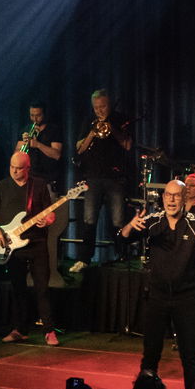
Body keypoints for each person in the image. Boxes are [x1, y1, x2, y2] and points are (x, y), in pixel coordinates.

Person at [121, 179, 195, 389]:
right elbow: (122, 238)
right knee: (150, 354)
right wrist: (129, 227)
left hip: (185, 297)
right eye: (168, 195)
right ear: (163, 198)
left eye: (176, 195)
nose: (171, 199)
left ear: (183, 198)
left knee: (189, 356)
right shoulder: (152, 221)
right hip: (157, 296)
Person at [0, 152, 61, 346]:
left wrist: (48, 219)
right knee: (18, 289)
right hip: (13, 246)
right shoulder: (2, 186)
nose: (14, 171)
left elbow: (50, 213)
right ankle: (20, 329)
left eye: (18, 168)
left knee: (42, 289)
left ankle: (49, 331)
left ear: (28, 168)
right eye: (11, 167)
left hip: (37, 244)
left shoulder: (39, 185)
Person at [74, 87, 134, 262]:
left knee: (117, 221)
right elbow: (79, 149)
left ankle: (122, 256)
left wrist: (112, 129)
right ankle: (85, 259)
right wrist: (92, 132)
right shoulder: (89, 121)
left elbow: (128, 145)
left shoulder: (120, 119)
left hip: (115, 178)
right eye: (96, 107)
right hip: (93, 177)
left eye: (103, 106)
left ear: (109, 104)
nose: (99, 111)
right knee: (89, 220)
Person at [16, 102, 65, 187]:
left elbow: (57, 155)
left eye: (38, 115)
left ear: (44, 114)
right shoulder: (25, 130)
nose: (35, 119)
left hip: (48, 179)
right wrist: (24, 143)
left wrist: (38, 145)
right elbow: (16, 156)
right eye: (32, 115)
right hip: (29, 177)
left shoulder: (53, 130)